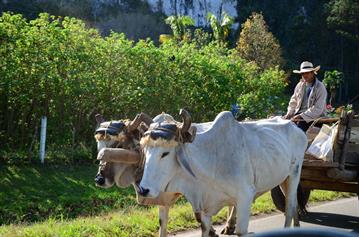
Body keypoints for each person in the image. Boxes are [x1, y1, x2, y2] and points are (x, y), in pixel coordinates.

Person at [283, 61, 327, 132]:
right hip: (298, 115)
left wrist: (301, 116)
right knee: (284, 124)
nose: (304, 75)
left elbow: (318, 108)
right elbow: (293, 101)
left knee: (297, 128)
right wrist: (289, 113)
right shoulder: (299, 85)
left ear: (312, 73)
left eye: (307, 73)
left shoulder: (320, 87)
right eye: (303, 73)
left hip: (314, 117)